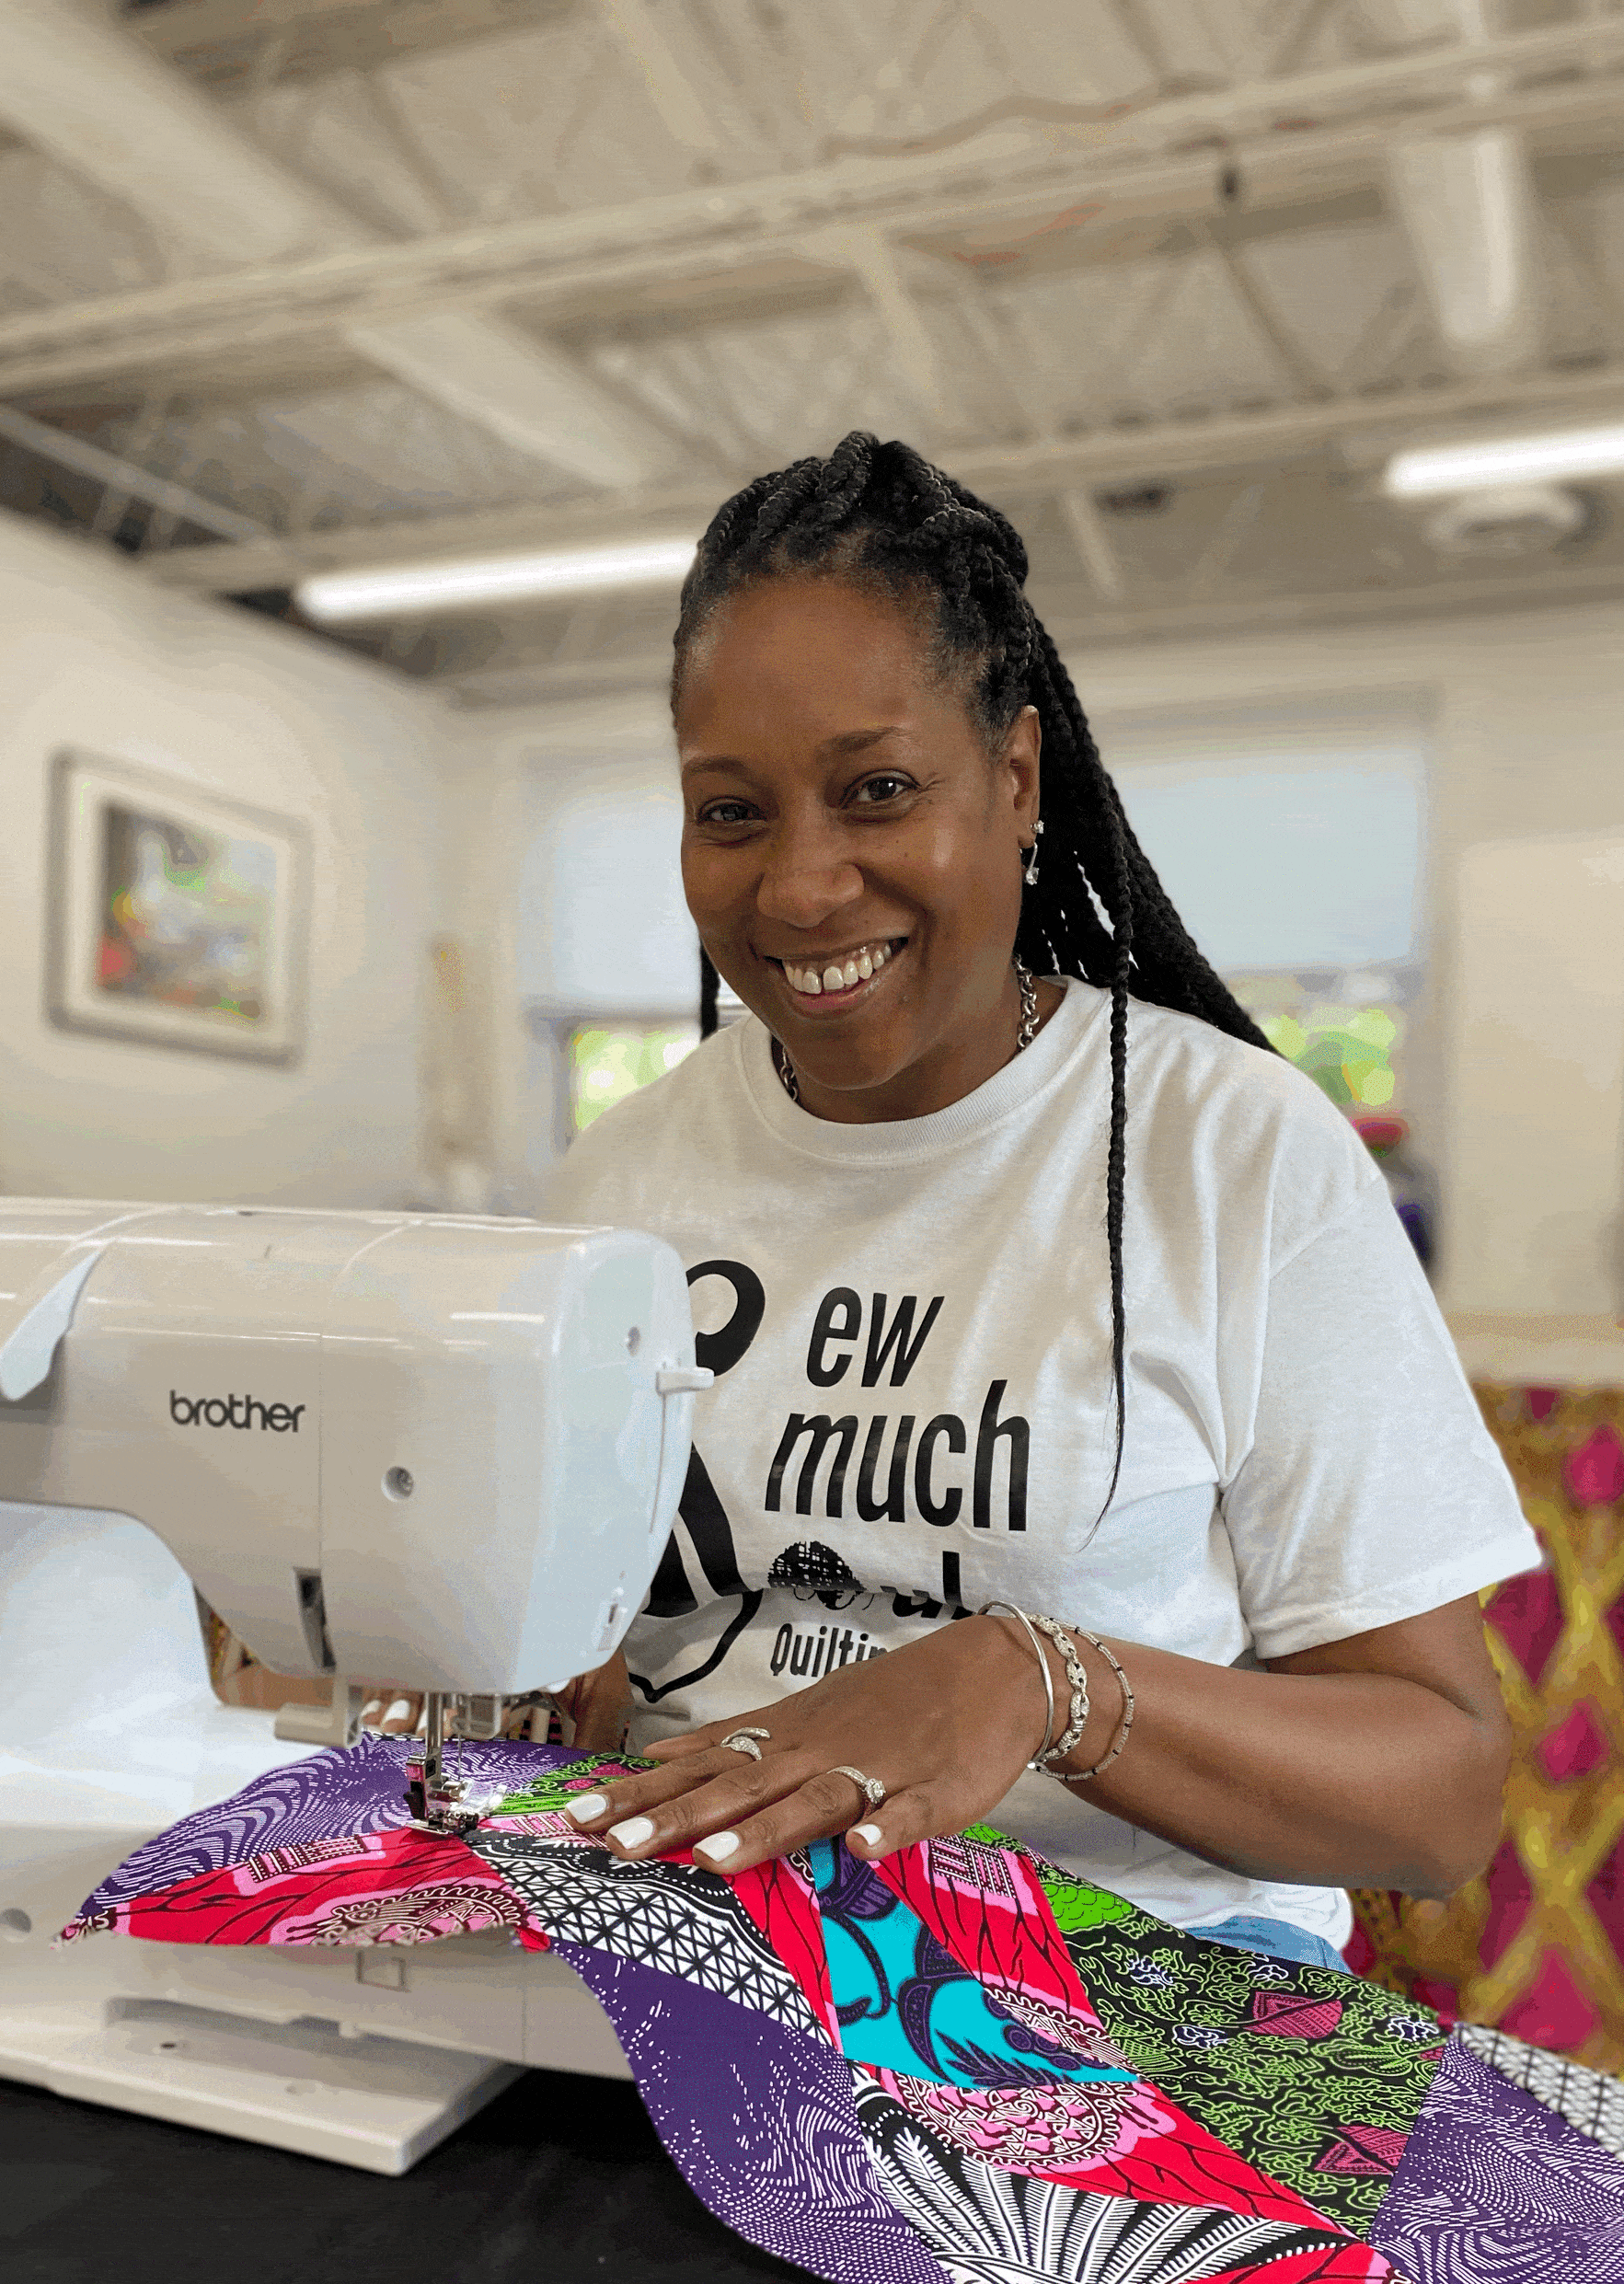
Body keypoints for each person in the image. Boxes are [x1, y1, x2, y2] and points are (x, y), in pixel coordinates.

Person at [540, 433, 1536, 1972]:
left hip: (1134, 1992)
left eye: (876, 791)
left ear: (1012, 780)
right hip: (696, 1958)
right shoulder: (619, 1181)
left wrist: (1038, 1684)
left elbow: (1439, 1800)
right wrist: (527, 1666)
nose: (801, 887)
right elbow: (568, 1639)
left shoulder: (1236, 1155)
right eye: (730, 813)